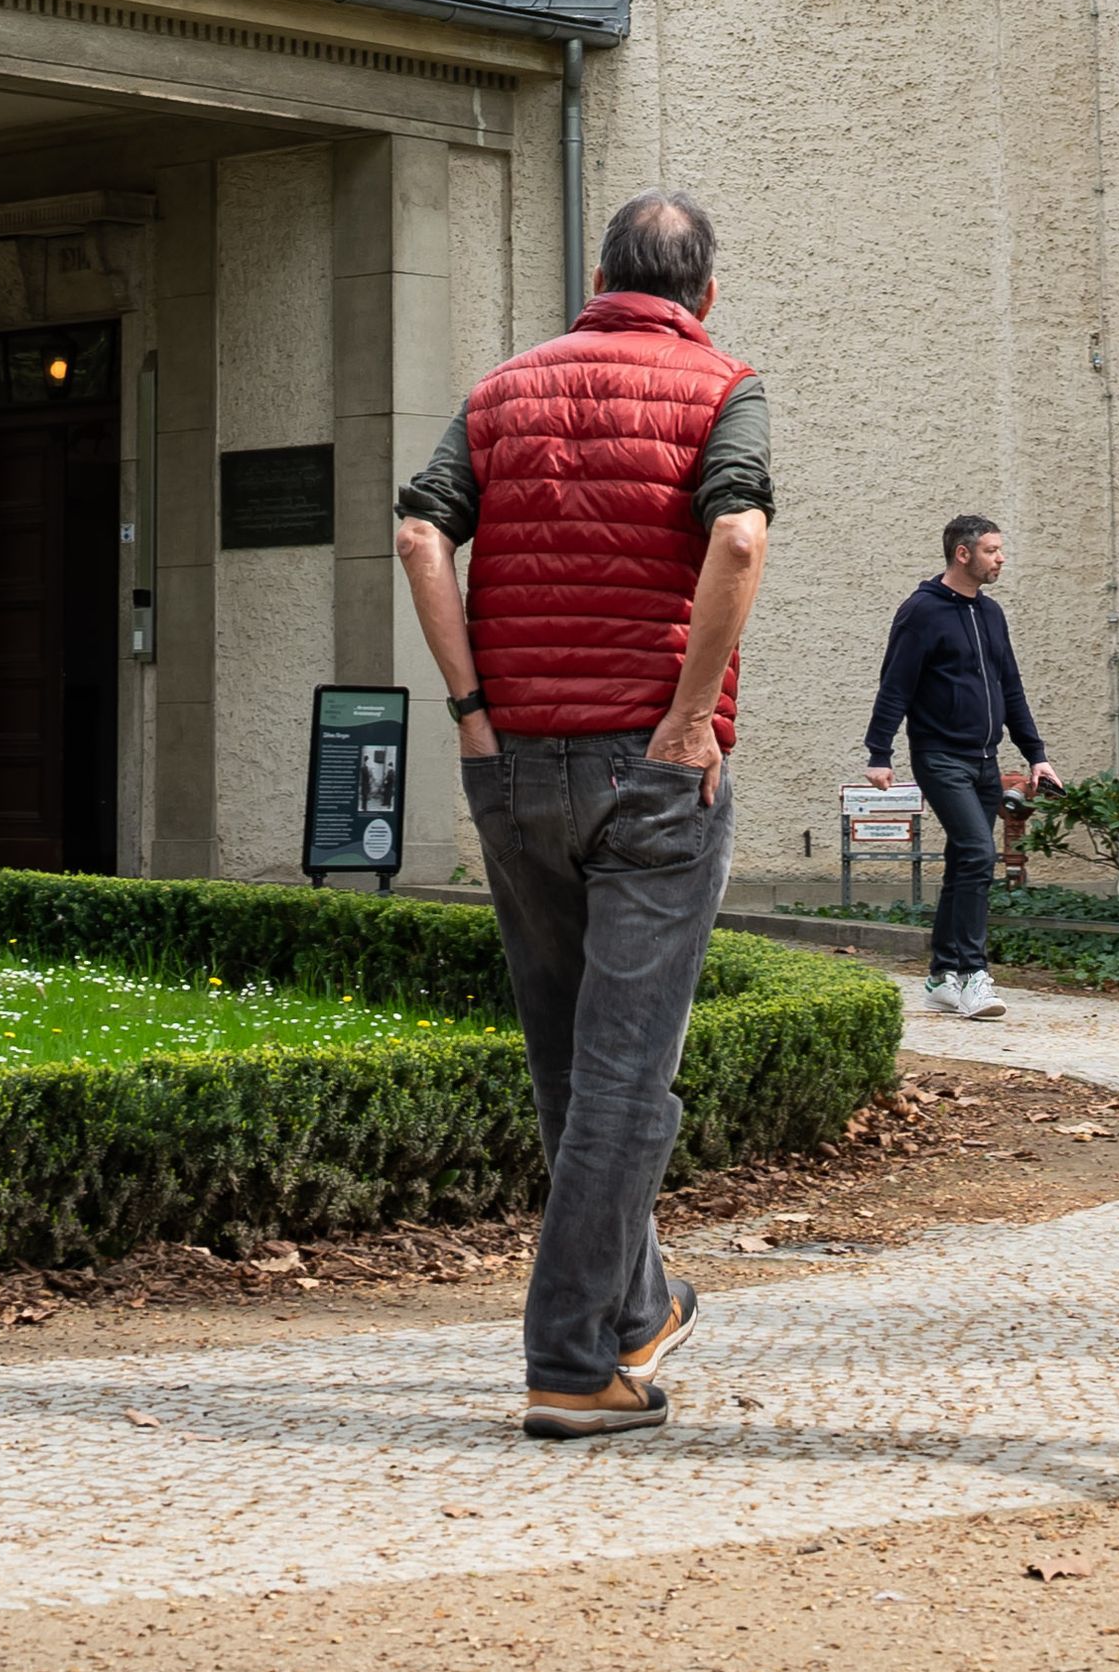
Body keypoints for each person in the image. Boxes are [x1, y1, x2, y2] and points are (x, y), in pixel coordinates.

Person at [397, 187, 771, 1442]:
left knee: (569, 1060)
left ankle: (636, 1305)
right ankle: (567, 1357)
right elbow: (737, 538)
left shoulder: (501, 389)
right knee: (629, 1074)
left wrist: (470, 709)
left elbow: (420, 534)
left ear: (599, 281)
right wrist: (690, 718)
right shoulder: (723, 385)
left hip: (513, 766)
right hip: (652, 769)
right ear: (703, 292)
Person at [861, 514, 1048, 1019]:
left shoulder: (991, 614)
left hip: (985, 761)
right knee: (977, 852)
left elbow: (1011, 688)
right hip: (940, 757)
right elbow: (895, 685)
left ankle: (942, 975)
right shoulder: (921, 611)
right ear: (962, 554)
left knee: (965, 861)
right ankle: (971, 974)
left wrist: (1036, 754)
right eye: (991, 550)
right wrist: (879, 753)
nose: (1000, 558)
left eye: (1000, 549)